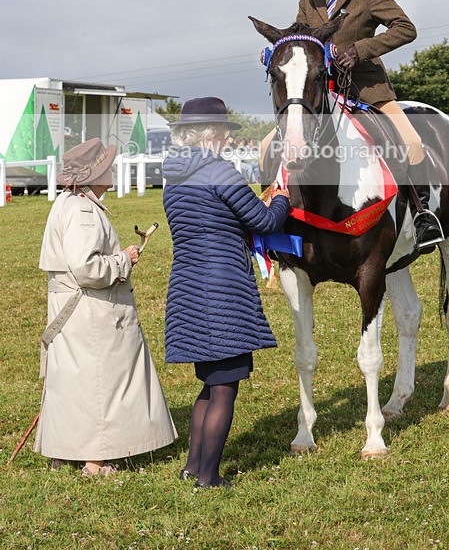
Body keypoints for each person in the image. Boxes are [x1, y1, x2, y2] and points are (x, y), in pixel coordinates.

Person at [163, 97, 291, 488]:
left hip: (186, 286)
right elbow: (265, 221)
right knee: (224, 388)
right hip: (222, 290)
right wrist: (283, 196)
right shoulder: (221, 172)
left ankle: (191, 466)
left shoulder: (174, 176)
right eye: (223, 132)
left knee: (209, 382)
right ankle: (209, 477)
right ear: (214, 134)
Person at [296, 0, 444, 251]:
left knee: (412, 141)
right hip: (324, 91)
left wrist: (360, 50)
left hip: (367, 88)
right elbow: (304, 33)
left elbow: (406, 28)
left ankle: (422, 218)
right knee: (274, 143)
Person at [35, 138, 177, 476]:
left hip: (76, 311)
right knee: (100, 384)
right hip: (90, 311)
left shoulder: (69, 203)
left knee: (72, 381)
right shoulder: (83, 210)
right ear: (93, 173)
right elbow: (87, 269)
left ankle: (64, 452)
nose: (112, 169)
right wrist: (123, 261)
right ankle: (95, 462)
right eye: (106, 165)